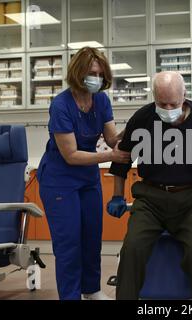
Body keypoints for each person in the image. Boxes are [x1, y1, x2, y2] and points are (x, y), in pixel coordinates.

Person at [107, 71, 192, 300]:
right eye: (162, 103)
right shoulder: (143, 118)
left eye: (173, 103)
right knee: (132, 249)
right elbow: (122, 158)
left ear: (184, 96)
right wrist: (117, 195)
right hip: (150, 200)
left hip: (191, 200)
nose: (168, 109)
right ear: (154, 98)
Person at [37, 47, 130, 300]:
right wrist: (111, 156)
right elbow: (71, 155)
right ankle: (70, 296)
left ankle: (92, 290)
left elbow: (111, 139)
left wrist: (131, 132)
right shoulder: (61, 105)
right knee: (69, 244)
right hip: (60, 180)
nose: (96, 79)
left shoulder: (101, 99)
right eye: (91, 73)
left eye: (100, 74)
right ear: (78, 73)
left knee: (91, 238)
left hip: (87, 178)